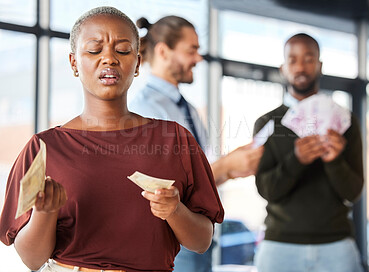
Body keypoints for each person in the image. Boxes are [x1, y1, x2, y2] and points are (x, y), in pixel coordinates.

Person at [0, 6, 223, 272]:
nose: (109, 59)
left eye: (123, 50)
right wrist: (45, 213)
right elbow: (32, 259)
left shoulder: (175, 139)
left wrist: (175, 210)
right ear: (74, 63)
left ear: (138, 63)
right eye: (95, 50)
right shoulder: (43, 148)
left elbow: (201, 241)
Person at [129, 16, 263, 272]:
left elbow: (196, 179)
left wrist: (232, 168)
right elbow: (164, 189)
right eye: (192, 50)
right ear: (163, 51)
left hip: (198, 238)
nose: (198, 58)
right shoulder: (146, 110)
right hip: (174, 244)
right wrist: (224, 165)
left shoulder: (186, 108)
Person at [253, 33, 364, 272]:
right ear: (283, 68)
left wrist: (334, 161)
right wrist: (297, 160)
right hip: (279, 244)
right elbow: (266, 190)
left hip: (336, 244)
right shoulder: (267, 123)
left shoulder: (346, 122)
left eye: (308, 58)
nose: (301, 66)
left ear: (320, 65)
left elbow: (353, 191)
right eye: (293, 60)